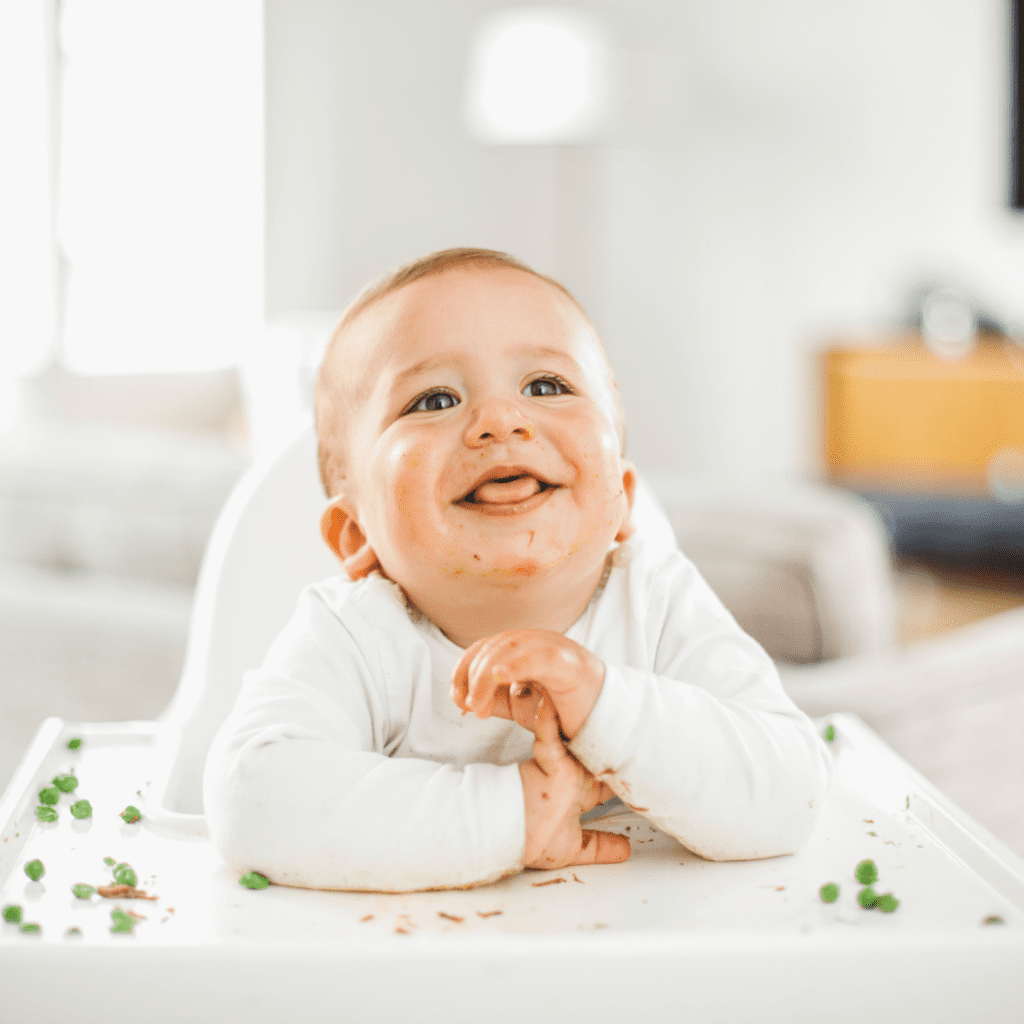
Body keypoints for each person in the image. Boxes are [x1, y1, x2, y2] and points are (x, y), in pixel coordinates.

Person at [203, 248, 832, 892]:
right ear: (357, 535)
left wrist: (604, 702)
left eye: (546, 386)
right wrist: (518, 814)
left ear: (622, 499)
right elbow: (252, 799)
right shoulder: (353, 636)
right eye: (433, 398)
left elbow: (791, 791)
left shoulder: (656, 600)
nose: (501, 420)